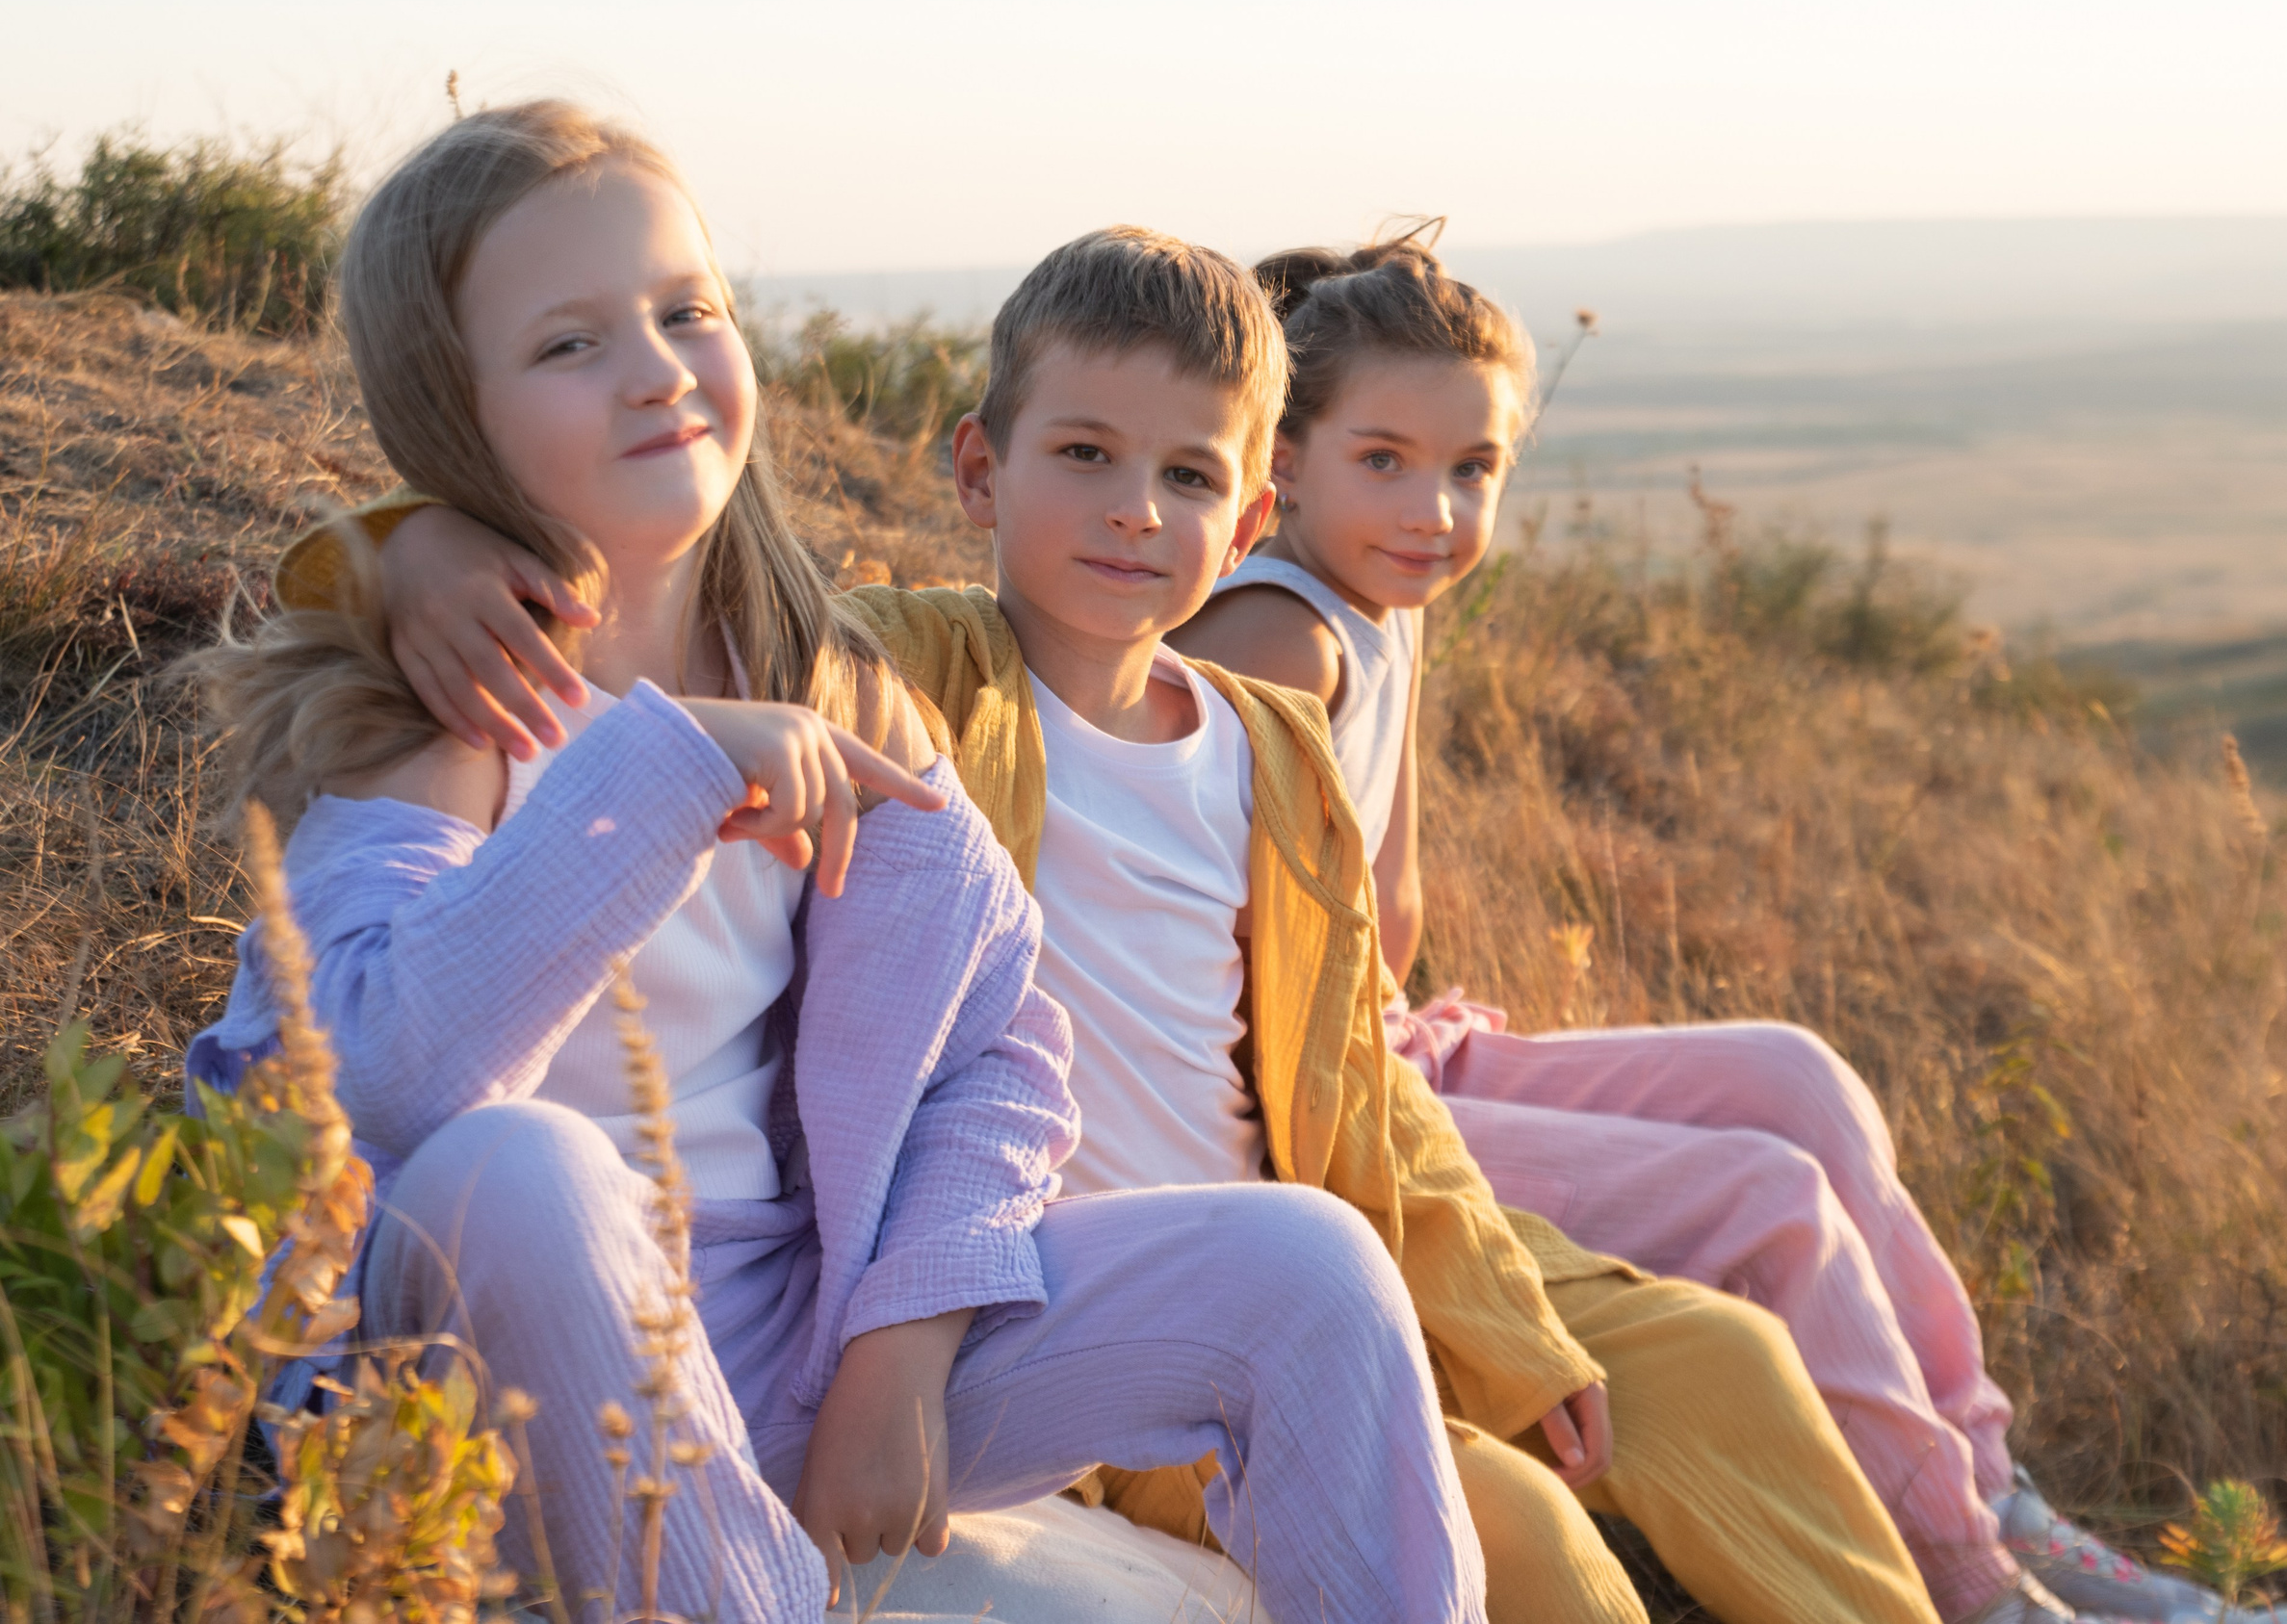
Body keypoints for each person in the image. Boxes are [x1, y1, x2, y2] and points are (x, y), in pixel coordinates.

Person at [290, 223, 1954, 1624]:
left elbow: (1362, 1089)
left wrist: (1506, 1325)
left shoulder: (1273, 748)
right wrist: (403, 546)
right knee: (1534, 1542)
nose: (1131, 511)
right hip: (1038, 1280)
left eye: (1183, 479)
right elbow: (675, 583)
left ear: (1244, 522)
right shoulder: (921, 672)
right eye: (1080, 455)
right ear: (977, 468)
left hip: (1285, 1229)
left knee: (1717, 1355)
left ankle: (1986, 1582)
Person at [182, 105, 1485, 1624]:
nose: (659, 369)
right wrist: (664, 769)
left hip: (805, 1342)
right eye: (569, 345)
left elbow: (996, 1047)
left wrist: (901, 1342)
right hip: (537, 1385)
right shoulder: (448, 706)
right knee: (512, 1167)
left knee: (1307, 1268)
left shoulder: (833, 679)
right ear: (450, 407)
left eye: (686, 313)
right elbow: (378, 1076)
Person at [1162, 224, 2287, 1624]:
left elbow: (1385, 927)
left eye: (1475, 470)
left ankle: (1987, 1492)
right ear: (1284, 463)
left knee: (1795, 1077)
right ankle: (1976, 1590)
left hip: (1388, 1045)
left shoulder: (1381, 606)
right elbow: (1179, 947)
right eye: (1385, 460)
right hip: (1304, 1109)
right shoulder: (1284, 640)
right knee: (1767, 1198)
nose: (1438, 510)